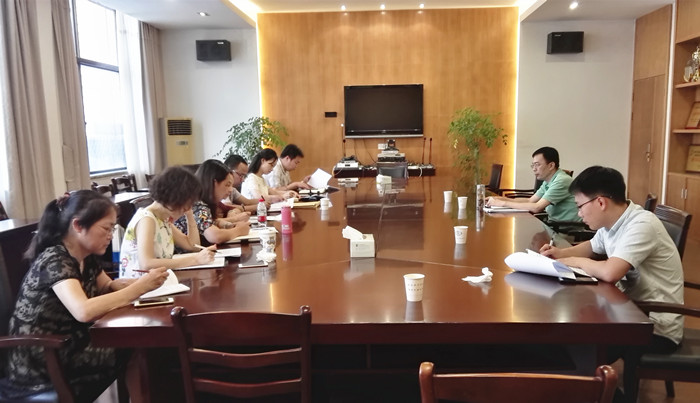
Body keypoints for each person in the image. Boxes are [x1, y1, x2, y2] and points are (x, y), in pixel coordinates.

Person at [2, 191, 168, 400]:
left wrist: (141, 283)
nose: (111, 235)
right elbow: (83, 311)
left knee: (142, 346)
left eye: (113, 228)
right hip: (44, 356)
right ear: (78, 225)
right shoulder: (55, 259)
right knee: (137, 348)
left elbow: (107, 286)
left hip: (72, 343)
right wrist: (139, 288)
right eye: (106, 228)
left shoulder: (85, 257)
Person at [540, 166, 683, 401]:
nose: (579, 214)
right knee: (570, 348)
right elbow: (591, 247)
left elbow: (610, 272)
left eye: (580, 206)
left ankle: (608, 395)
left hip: (653, 326)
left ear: (600, 202)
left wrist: (573, 261)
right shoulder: (613, 222)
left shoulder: (641, 225)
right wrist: (560, 253)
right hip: (628, 312)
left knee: (578, 353)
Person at [119, 166, 216, 278]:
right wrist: (195, 259)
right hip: (140, 284)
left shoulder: (163, 218)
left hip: (158, 282)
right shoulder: (147, 219)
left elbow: (193, 245)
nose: (189, 207)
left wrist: (189, 215)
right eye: (188, 202)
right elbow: (146, 264)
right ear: (176, 198)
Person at [485, 146, 580, 222]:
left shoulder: (562, 180)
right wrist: (499, 199)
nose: (534, 169)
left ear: (551, 165)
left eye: (537, 165)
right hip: (554, 225)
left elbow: (537, 207)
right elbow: (530, 200)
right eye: (533, 165)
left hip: (566, 231)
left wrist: (503, 203)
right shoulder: (548, 180)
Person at [174, 159, 251, 245]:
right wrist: (239, 230)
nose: (230, 190)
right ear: (213, 183)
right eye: (227, 185)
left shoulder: (200, 200)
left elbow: (209, 223)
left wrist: (228, 225)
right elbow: (215, 236)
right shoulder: (197, 204)